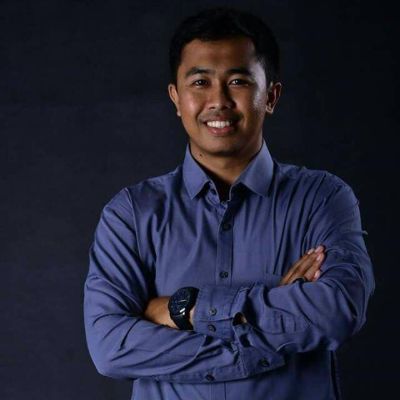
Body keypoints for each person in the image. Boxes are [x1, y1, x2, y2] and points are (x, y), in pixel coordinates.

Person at [83, 7, 375, 400]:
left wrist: (186, 309)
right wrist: (265, 337)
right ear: (176, 98)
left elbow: (338, 311)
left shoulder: (322, 198)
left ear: (270, 96)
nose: (218, 100)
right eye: (200, 82)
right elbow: (111, 347)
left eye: (238, 81)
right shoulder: (132, 214)